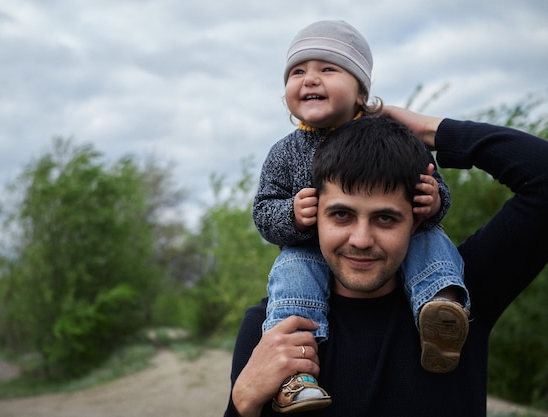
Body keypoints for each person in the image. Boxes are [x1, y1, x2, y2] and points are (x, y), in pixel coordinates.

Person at [225, 107, 548, 417]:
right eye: (341, 215)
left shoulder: (460, 296)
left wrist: (429, 130)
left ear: (416, 218)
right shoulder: (273, 327)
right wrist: (244, 403)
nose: (361, 239)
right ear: (315, 216)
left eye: (385, 218)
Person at [253, 20, 470, 412]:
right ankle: (293, 372)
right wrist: (292, 214)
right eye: (298, 71)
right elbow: (263, 212)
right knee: (291, 275)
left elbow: (435, 190)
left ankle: (441, 313)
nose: (310, 79)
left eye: (328, 69)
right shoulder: (284, 153)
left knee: (431, 241)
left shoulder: (394, 140)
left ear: (362, 93)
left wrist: (433, 202)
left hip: (407, 244)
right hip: (309, 249)